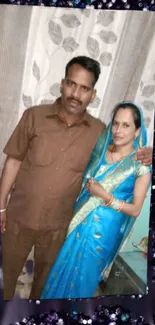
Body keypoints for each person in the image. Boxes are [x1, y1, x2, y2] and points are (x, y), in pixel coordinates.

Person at [0, 56, 152, 300]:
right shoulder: (34, 116)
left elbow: (124, 151)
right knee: (5, 280)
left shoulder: (100, 133)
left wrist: (148, 151)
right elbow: (14, 161)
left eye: (84, 88)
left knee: (42, 288)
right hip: (19, 218)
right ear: (62, 84)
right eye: (71, 84)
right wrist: (0, 207)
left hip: (59, 227)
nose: (75, 93)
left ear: (92, 95)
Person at [41, 102, 152, 299]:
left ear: (137, 131)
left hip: (103, 233)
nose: (118, 130)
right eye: (116, 123)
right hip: (77, 222)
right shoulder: (101, 150)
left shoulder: (140, 165)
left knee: (83, 282)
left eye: (126, 125)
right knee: (60, 271)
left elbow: (135, 210)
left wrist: (105, 196)